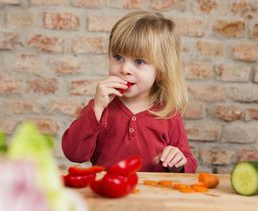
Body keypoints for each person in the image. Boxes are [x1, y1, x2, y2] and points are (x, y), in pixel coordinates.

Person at [62, 11, 197, 173]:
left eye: (139, 61)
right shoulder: (99, 109)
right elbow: (73, 153)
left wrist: (179, 162)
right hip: (107, 193)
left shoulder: (169, 114)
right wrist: (96, 109)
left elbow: (189, 164)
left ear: (161, 70)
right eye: (118, 57)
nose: (125, 69)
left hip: (154, 196)